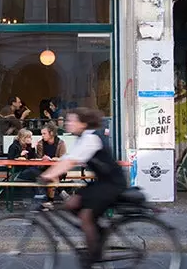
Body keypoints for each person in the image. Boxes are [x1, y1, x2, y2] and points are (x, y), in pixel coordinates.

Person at [40, 108, 127, 269]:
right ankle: (97, 233)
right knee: (71, 204)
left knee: (86, 216)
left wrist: (46, 176)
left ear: (83, 124)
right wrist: (51, 172)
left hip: (112, 184)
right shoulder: (83, 138)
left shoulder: (91, 139)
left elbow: (70, 162)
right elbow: (66, 158)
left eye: (72, 120)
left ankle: (94, 257)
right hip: (101, 183)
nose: (68, 123)